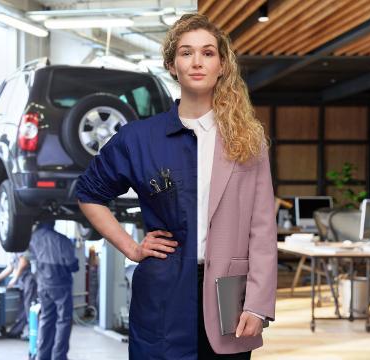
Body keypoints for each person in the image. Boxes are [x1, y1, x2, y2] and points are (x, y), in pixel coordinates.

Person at [76, 13, 277, 359]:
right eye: (186, 53)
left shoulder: (247, 139)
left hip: (229, 293)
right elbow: (89, 193)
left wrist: (258, 305)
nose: (197, 61)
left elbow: (262, 228)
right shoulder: (139, 139)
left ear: (223, 64)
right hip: (163, 290)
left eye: (208, 52)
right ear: (171, 65)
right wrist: (131, 247)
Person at [29, 220, 79, 360]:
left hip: (43, 285)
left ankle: (42, 356)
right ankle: (58, 356)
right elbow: (72, 265)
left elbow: (31, 258)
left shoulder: (33, 237)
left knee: (46, 318)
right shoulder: (62, 240)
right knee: (64, 321)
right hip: (61, 285)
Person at [0, 251, 37, 339]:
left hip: (30, 280)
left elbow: (23, 263)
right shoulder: (13, 252)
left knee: (29, 307)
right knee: (22, 308)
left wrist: (14, 278)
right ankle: (16, 331)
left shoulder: (22, 248)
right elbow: (11, 267)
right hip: (23, 281)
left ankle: (33, 333)